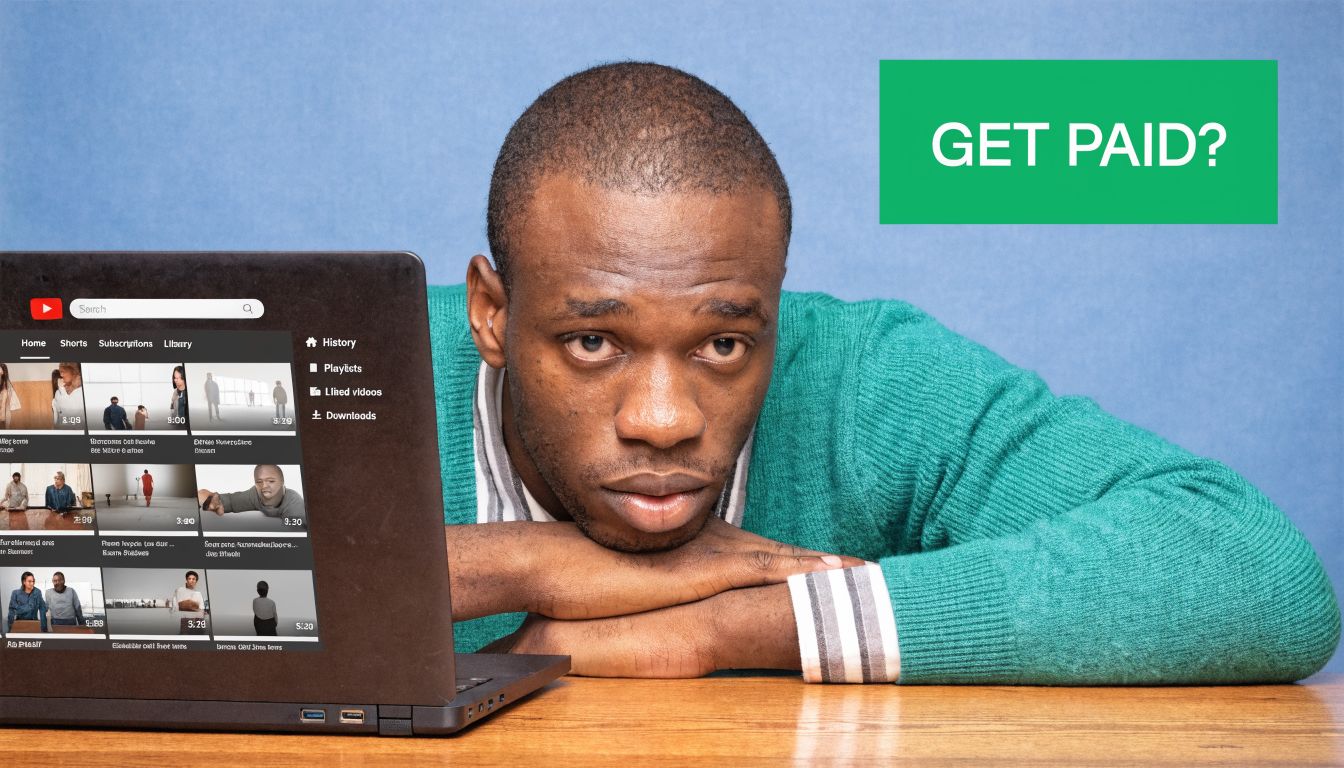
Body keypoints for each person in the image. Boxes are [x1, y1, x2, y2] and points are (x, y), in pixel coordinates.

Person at [430, 63, 1340, 685]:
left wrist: (729, 625)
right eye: (593, 342)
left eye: (723, 345)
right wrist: (524, 565)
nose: (664, 421)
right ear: (492, 315)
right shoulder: (366, 359)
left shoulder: (862, 381)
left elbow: (1261, 574)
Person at [197, 464, 305, 519]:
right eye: (259, 482)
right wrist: (207, 497)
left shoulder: (294, 502)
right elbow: (228, 500)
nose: (264, 486)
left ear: (282, 482)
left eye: (271, 481)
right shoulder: (254, 495)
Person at [51, 362, 82, 428]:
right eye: (60, 372)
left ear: (73, 372)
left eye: (63, 372)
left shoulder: (81, 391)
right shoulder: (59, 392)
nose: (61, 375)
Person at [0, 362, 21, 428]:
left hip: (4, 412)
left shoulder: (6, 384)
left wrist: (2, 415)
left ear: (2, 372)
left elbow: (6, 403)